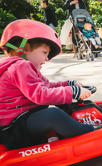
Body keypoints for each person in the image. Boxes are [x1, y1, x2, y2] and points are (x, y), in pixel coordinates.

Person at [0, 19, 95, 150]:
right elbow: (41, 95)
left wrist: (69, 84)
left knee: (59, 101)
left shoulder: (23, 67)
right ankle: (89, 131)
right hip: (14, 128)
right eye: (44, 53)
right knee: (53, 115)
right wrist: (71, 91)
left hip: (21, 120)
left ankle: (71, 121)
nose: (47, 59)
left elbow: (47, 86)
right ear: (25, 48)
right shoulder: (21, 66)